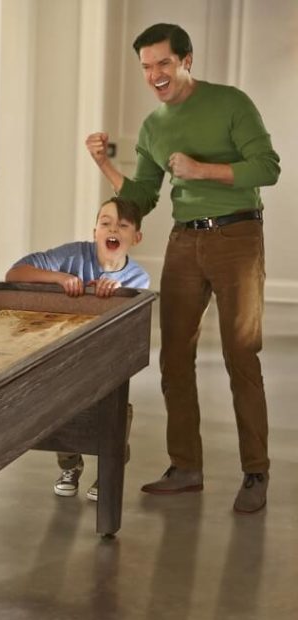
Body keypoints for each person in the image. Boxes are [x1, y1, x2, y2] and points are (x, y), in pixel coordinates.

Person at [86, 22, 280, 514]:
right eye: (146, 66)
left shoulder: (230, 103)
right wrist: (104, 165)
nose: (155, 74)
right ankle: (186, 467)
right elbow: (142, 198)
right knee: (173, 357)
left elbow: (267, 167)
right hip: (183, 240)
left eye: (164, 63)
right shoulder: (153, 127)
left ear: (186, 60)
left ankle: (256, 472)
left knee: (241, 354)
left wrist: (201, 170)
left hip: (237, 237)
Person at [6, 197, 150, 500]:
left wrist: (116, 296)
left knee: (113, 408)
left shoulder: (138, 278)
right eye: (106, 223)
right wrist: (61, 278)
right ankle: (70, 465)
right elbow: (15, 274)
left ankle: (109, 469)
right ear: (95, 231)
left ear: (136, 237)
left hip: (108, 358)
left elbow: (131, 328)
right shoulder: (72, 255)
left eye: (123, 226)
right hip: (66, 351)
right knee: (63, 407)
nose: (113, 230)